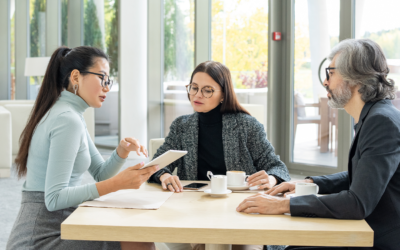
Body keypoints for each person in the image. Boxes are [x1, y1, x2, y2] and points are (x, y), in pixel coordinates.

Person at [236, 39, 400, 250]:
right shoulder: (374, 116)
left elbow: (357, 203)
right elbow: (364, 178)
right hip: (366, 231)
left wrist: (284, 204)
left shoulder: (381, 122)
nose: (325, 82)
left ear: (354, 77)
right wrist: (310, 182)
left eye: (330, 73)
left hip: (378, 240)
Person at [6, 46, 158, 250]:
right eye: (102, 78)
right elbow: (54, 198)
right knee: (138, 242)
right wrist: (118, 183)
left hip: (59, 223)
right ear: (76, 77)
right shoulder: (67, 119)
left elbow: (100, 174)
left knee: (135, 233)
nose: (107, 87)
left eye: (109, 80)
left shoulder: (70, 114)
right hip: (41, 235)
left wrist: (121, 151)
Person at [149, 61, 290, 250]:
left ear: (223, 94)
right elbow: (155, 165)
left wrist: (271, 179)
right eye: (194, 88)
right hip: (195, 209)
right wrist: (164, 175)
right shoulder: (181, 126)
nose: (198, 95)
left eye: (207, 90)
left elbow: (278, 168)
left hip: (241, 210)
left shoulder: (247, 125)